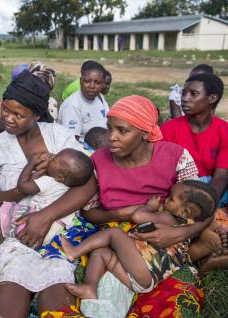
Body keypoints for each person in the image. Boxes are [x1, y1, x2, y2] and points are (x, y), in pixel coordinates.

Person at [77, 95, 208, 318]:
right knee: (105, 290)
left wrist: (179, 233)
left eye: (122, 130)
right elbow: (88, 212)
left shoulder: (176, 157)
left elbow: (200, 209)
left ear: (145, 133)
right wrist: (125, 212)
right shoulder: (98, 160)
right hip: (114, 237)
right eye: (109, 129)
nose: (111, 138)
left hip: (163, 237)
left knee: (174, 298)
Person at [0, 70, 97, 317]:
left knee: (57, 280)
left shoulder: (58, 136)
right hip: (15, 229)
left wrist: (44, 218)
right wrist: (17, 190)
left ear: (37, 115)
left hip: (60, 226)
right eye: (6, 110)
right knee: (13, 276)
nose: (9, 119)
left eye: (19, 115)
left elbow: (87, 184)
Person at [63, 180, 217, 300]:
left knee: (114, 233)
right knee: (101, 253)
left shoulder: (169, 218)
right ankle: (90, 287)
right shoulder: (189, 231)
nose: (165, 200)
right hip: (145, 283)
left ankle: (74, 251)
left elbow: (138, 217)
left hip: (143, 269)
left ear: (184, 211)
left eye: (170, 199)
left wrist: (150, 207)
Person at [0, 148, 93, 261]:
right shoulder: (67, 188)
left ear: (60, 177)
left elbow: (23, 186)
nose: (51, 157)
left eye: (55, 159)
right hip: (57, 229)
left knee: (4, 214)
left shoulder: (48, 182)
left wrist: (31, 163)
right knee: (10, 212)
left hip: (39, 226)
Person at [162, 72, 228, 271]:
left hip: (215, 192)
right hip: (181, 191)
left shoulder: (223, 130)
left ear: (212, 99)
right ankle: (208, 248)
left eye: (193, 94)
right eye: (184, 93)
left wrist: (206, 207)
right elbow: (166, 175)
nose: (184, 98)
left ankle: (208, 245)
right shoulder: (170, 129)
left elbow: (221, 177)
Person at [58, 61, 109, 142]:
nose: (92, 86)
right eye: (87, 81)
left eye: (97, 82)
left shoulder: (99, 97)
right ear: (80, 81)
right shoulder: (72, 105)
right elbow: (71, 142)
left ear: (103, 84)